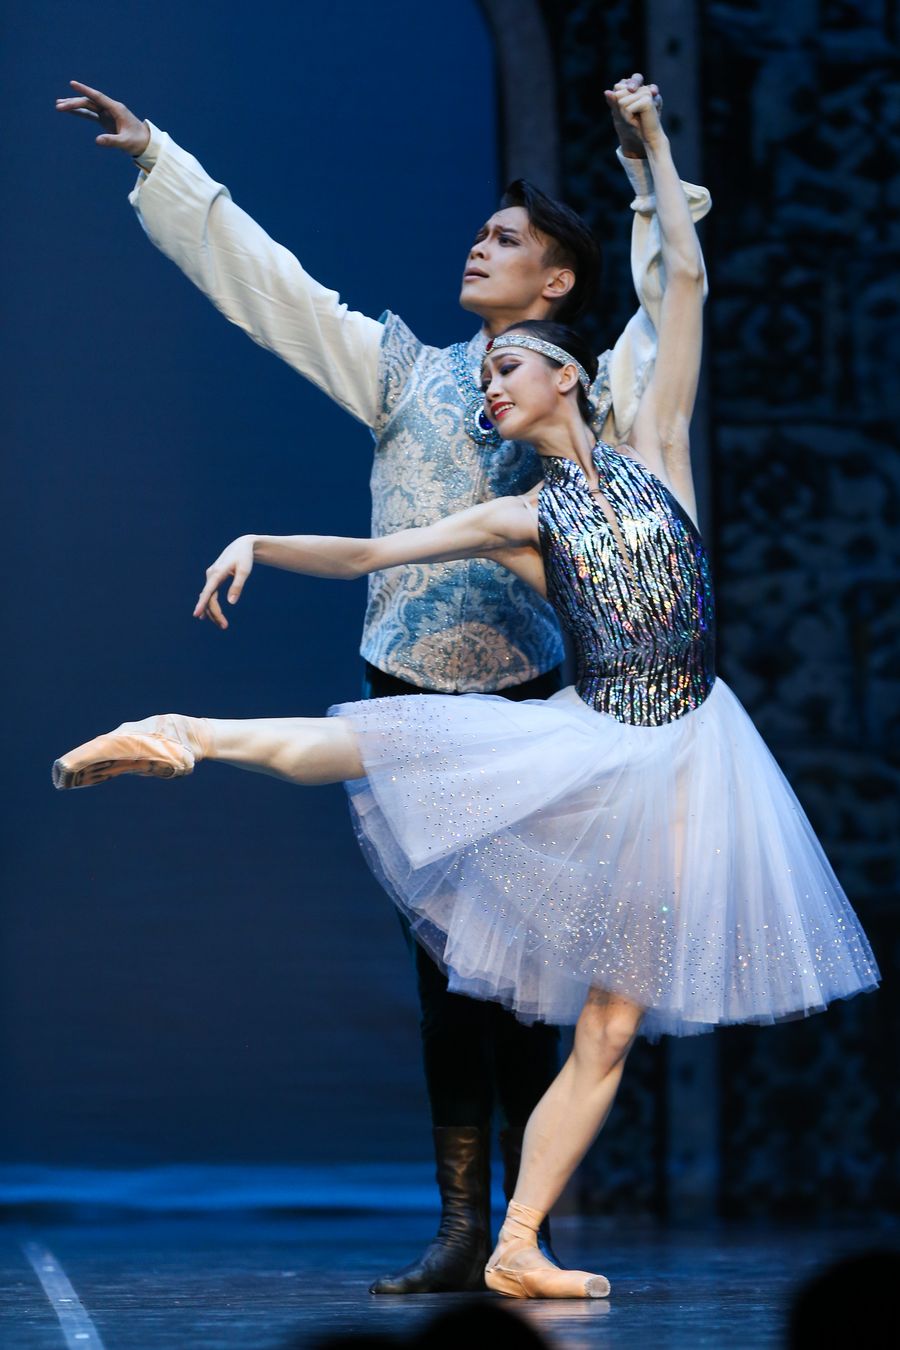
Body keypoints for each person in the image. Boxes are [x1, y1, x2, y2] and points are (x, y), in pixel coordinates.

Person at [54, 84, 879, 1299]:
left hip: (562, 708)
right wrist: (162, 165)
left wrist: (648, 156)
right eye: (481, 235)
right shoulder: (415, 379)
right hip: (445, 692)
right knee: (453, 981)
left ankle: (522, 1232)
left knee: (555, 995)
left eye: (504, 240)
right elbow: (284, 303)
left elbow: (677, 290)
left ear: (557, 294)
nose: (476, 250)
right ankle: (468, 1226)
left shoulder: (613, 403)